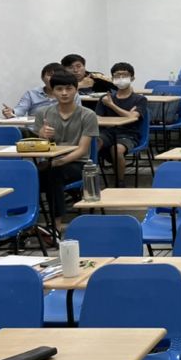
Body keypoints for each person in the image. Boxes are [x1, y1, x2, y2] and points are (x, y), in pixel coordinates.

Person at [32, 71, 99, 236]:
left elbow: (83, 150)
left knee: (53, 174)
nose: (64, 93)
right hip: (51, 161)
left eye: (68, 89)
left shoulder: (88, 114)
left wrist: (58, 162)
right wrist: (41, 135)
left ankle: (56, 226)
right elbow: (38, 147)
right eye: (59, 89)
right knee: (26, 175)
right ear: (52, 91)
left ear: (76, 90)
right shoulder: (43, 113)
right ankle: (27, 223)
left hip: (78, 163)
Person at [95, 62, 148, 186]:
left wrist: (111, 105)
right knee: (94, 143)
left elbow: (132, 117)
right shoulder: (105, 98)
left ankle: (120, 182)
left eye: (124, 75)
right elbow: (97, 117)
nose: (121, 78)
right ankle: (88, 176)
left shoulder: (140, 99)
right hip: (107, 132)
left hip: (128, 134)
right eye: (117, 76)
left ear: (132, 78)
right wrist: (124, 113)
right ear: (112, 78)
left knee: (116, 149)